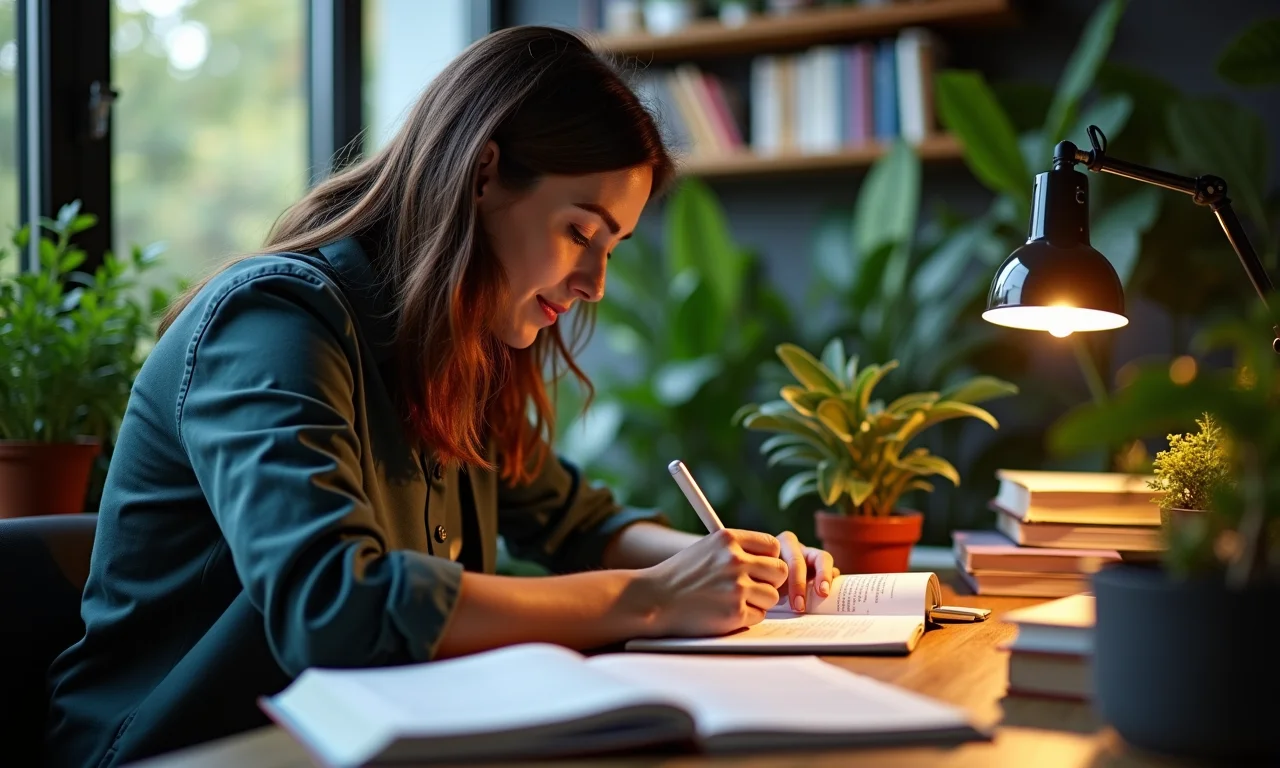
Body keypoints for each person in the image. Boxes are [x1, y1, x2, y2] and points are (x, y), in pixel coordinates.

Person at [43, 25, 837, 768]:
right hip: (182, 748)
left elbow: (578, 523)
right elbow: (335, 607)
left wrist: (734, 565)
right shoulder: (272, 325)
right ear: (484, 173)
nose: (595, 283)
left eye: (612, 247)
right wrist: (654, 599)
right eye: (579, 232)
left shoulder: (456, 349)